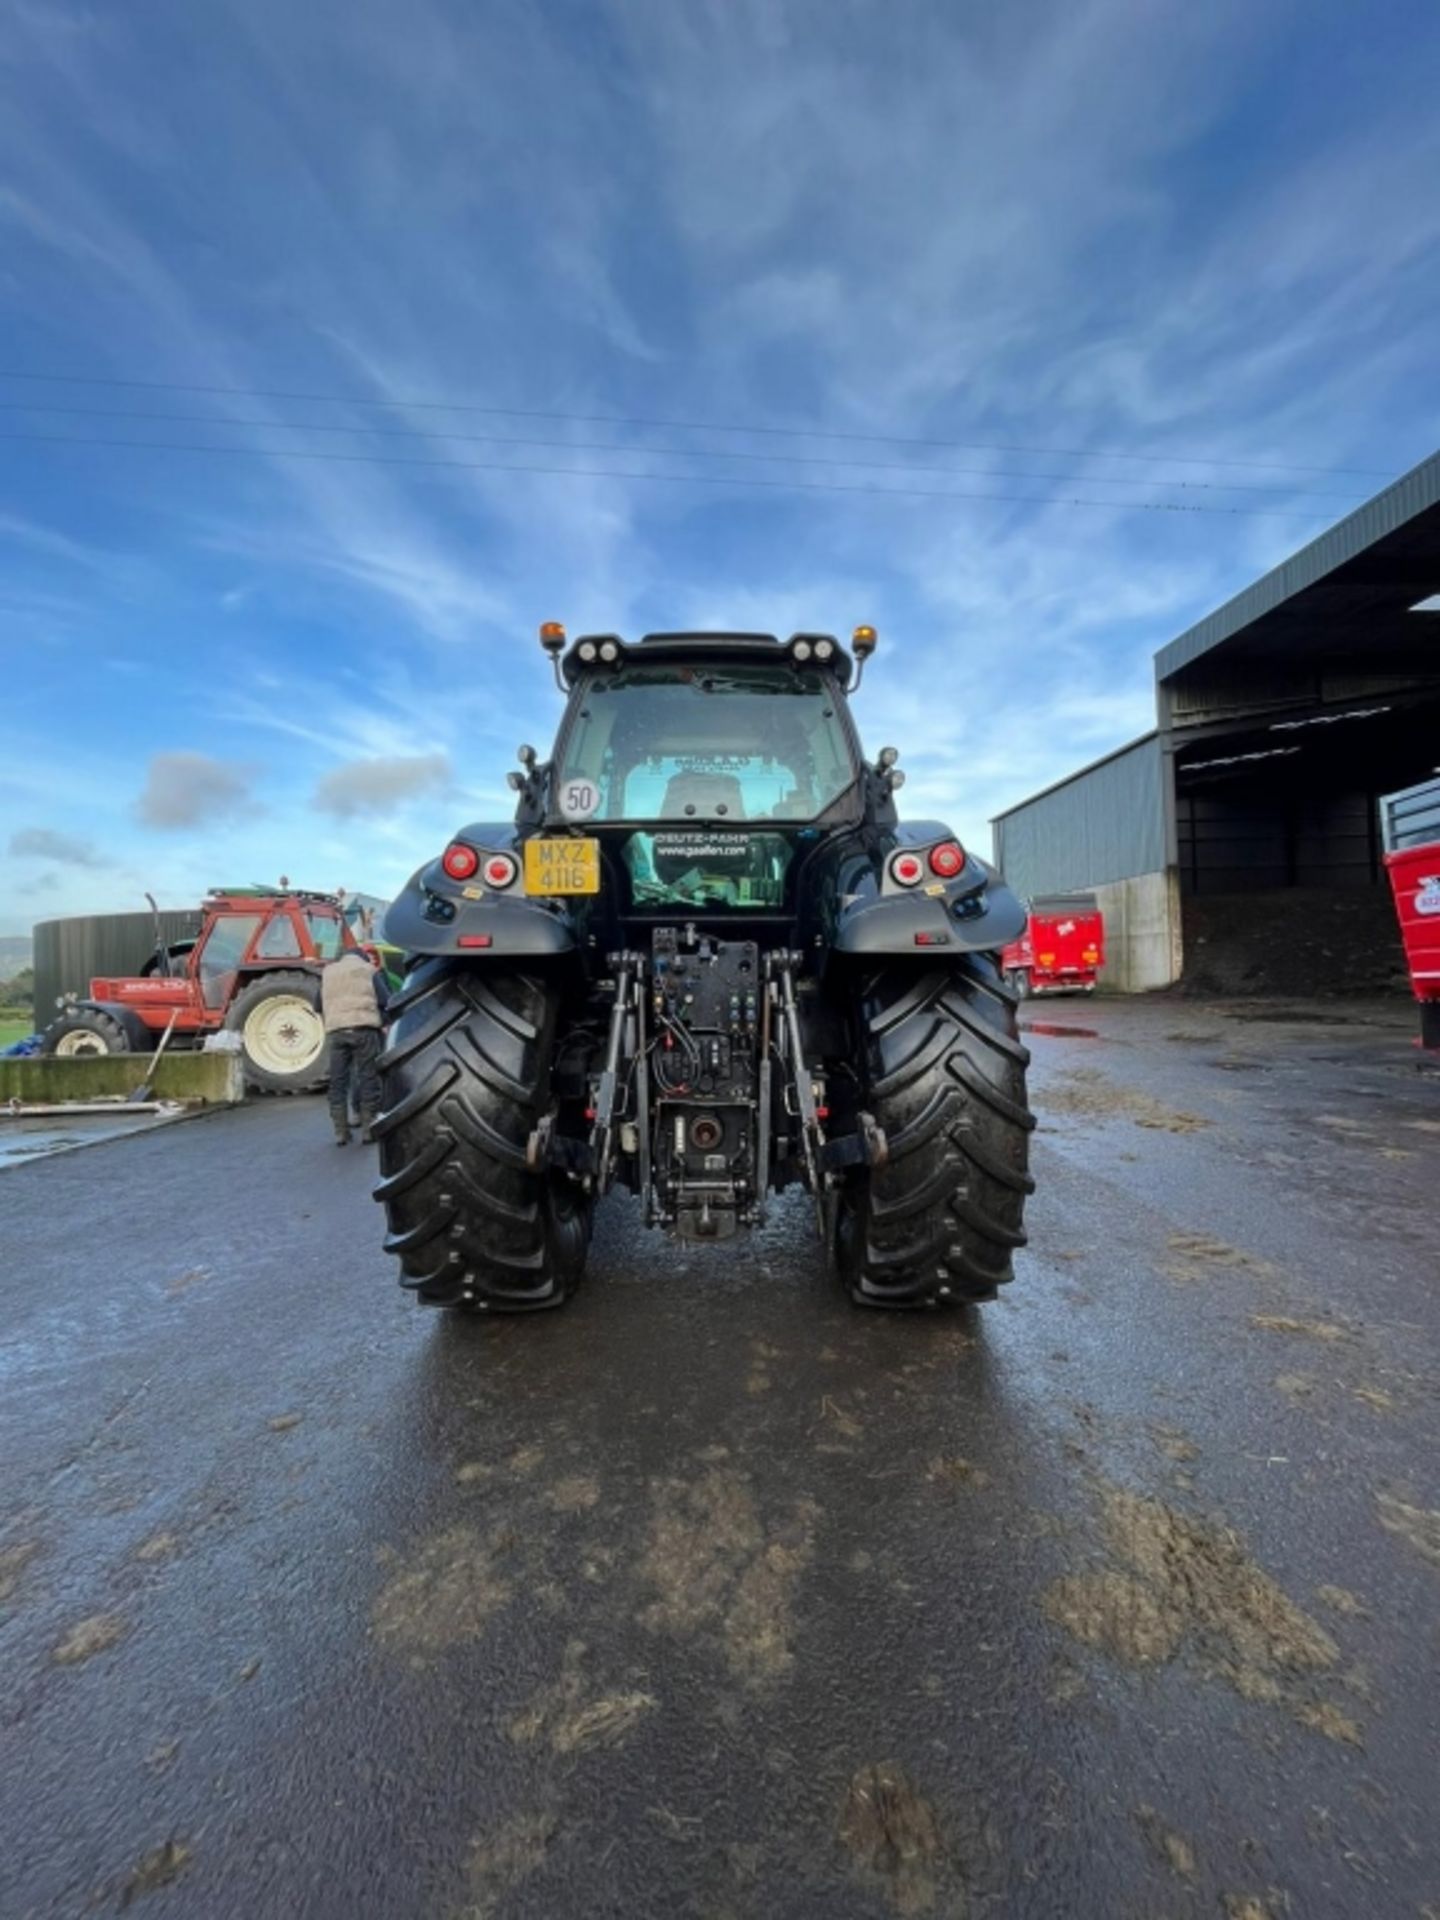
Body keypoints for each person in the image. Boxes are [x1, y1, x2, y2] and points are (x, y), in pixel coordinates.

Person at [321, 945, 390, 1145]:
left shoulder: (328, 972)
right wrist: (383, 1021)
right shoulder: (369, 971)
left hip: (336, 1033)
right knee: (368, 1078)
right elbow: (385, 1000)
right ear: (362, 958)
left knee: (338, 1082)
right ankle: (368, 1130)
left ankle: (341, 1132)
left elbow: (318, 1004)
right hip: (365, 1030)